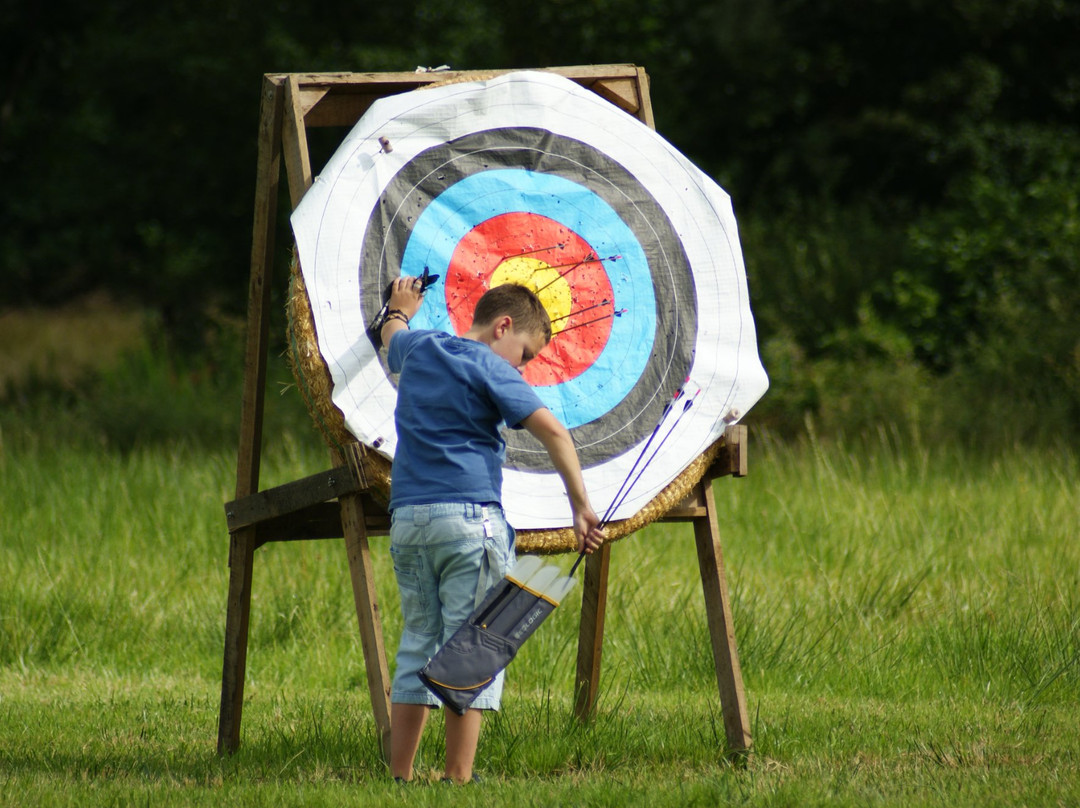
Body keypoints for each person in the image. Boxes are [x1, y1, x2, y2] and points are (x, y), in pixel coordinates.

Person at [379, 277, 605, 785]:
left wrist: (401, 308)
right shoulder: (488, 366)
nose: (521, 368)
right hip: (467, 523)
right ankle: (458, 779)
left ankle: (400, 775)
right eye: (523, 354)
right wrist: (581, 506)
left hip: (408, 521)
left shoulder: (421, 346)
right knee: (471, 646)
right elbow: (553, 430)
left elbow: (391, 336)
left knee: (419, 639)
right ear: (503, 326)